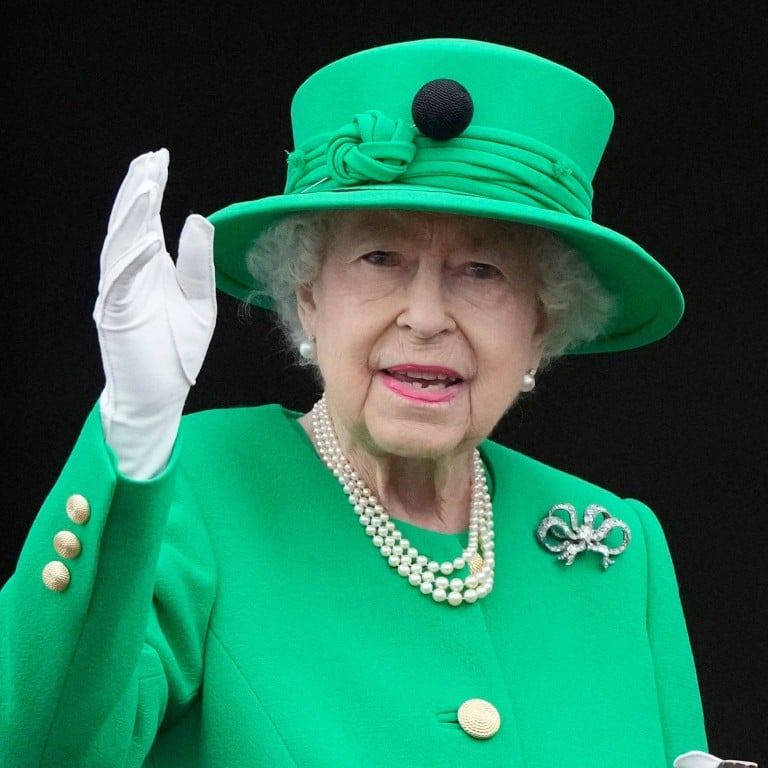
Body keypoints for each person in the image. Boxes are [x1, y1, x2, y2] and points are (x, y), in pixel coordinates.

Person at [0, 38, 755, 768]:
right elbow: (41, 751)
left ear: (541, 327)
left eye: (482, 270)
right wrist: (130, 441)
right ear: (309, 299)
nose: (425, 316)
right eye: (380, 258)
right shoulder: (190, 489)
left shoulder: (616, 548)